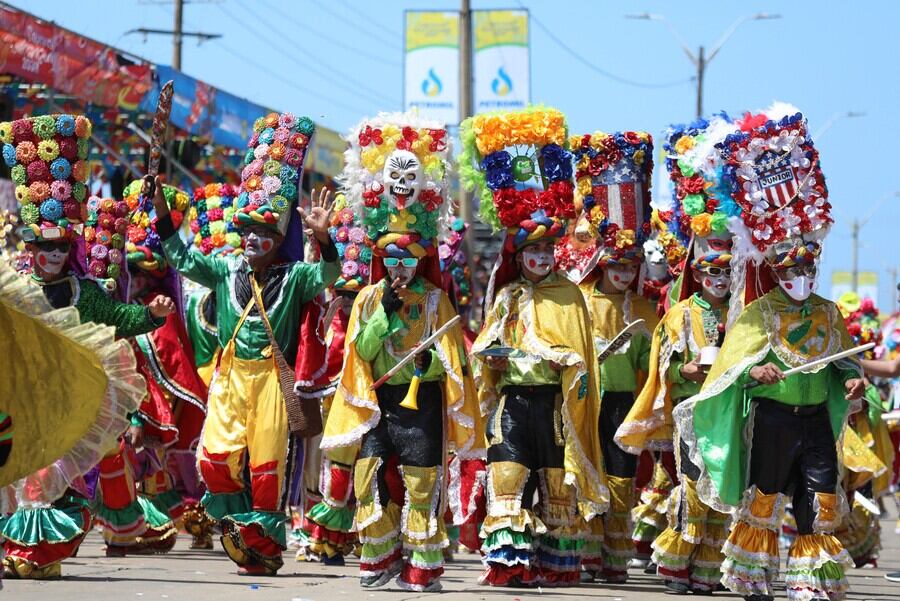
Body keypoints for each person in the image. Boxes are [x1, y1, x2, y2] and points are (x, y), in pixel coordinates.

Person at [673, 105, 866, 601]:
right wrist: (752, 370)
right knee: (763, 502)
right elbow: (730, 367)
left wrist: (851, 378)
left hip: (816, 420)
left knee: (820, 502)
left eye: (807, 271)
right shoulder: (759, 313)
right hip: (774, 419)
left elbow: (845, 359)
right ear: (776, 273)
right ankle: (754, 581)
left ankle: (809, 585)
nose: (798, 280)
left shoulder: (828, 313)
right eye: (788, 272)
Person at [154, 111, 338, 576]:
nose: (254, 240)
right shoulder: (224, 270)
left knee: (267, 470)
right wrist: (162, 216)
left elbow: (329, 276)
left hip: (274, 381)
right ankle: (242, 528)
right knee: (214, 461)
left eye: (264, 233)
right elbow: (179, 256)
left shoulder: (294, 276)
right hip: (231, 376)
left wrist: (325, 240)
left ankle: (262, 548)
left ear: (279, 238)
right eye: (248, 232)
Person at [0, 114, 170, 579]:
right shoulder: (12, 285)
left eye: (60, 247)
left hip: (69, 398)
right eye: (44, 247)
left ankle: (36, 551)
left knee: (43, 479)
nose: (52, 255)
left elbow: (119, 320)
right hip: (22, 399)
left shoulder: (84, 292)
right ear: (31, 246)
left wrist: (151, 314)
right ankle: (24, 545)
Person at [321, 112, 482, 593]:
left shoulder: (437, 301)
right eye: (390, 256)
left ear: (422, 259)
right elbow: (362, 351)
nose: (399, 265)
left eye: (407, 257)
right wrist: (381, 313)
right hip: (378, 402)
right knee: (369, 478)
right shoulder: (371, 298)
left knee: (419, 483)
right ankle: (381, 557)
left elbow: (452, 360)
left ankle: (423, 566)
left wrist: (427, 362)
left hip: (421, 402)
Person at [460, 106, 607, 588]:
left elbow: (581, 358)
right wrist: (492, 356)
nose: (541, 258)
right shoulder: (507, 295)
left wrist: (565, 362)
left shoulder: (570, 296)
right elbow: (485, 345)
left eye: (548, 251)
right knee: (505, 488)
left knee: (557, 494)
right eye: (532, 252)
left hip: (555, 410)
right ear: (519, 256)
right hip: (513, 405)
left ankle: (555, 566)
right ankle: (507, 567)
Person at [615, 116, 737, 594]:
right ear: (697, 271)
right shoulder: (680, 312)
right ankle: (675, 565)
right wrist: (680, 368)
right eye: (710, 270)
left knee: (725, 492)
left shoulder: (748, 314)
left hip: (732, 412)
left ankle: (709, 570)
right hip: (692, 411)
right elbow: (662, 361)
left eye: (726, 270)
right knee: (690, 488)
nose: (719, 279)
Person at [567, 129, 659, 582]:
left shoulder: (644, 308)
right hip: (587, 400)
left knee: (623, 477)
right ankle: (586, 554)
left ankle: (615, 556)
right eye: (617, 265)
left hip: (625, 403)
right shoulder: (579, 299)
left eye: (631, 266)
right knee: (589, 472)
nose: (624, 273)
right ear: (602, 262)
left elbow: (653, 361)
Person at [293, 192, 366, 565]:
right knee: (323, 465)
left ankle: (345, 535)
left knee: (355, 467)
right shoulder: (326, 319)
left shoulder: (371, 321)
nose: (350, 301)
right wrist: (314, 241)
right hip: (328, 400)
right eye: (344, 293)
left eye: (358, 294)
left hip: (362, 401)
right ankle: (317, 535)